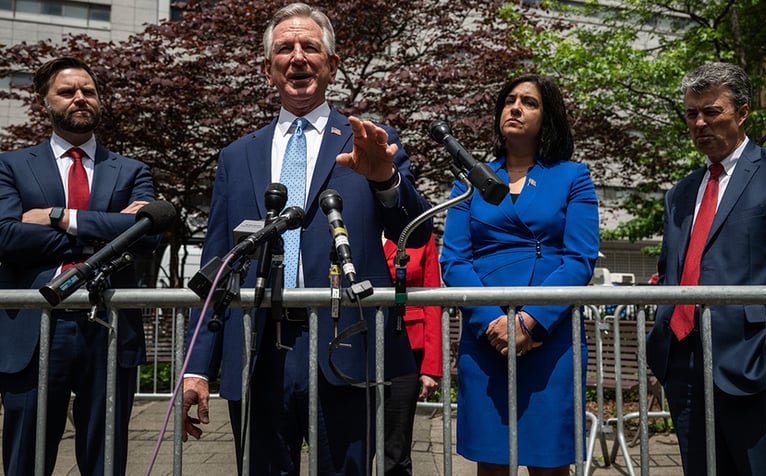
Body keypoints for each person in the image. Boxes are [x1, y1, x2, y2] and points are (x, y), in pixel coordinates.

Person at [180, 3, 432, 475]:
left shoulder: (367, 140)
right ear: (268, 69)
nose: (298, 57)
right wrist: (197, 366)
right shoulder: (237, 157)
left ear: (331, 65)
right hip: (258, 350)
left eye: (310, 47)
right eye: (285, 49)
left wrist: (385, 181)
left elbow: (412, 233)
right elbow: (216, 264)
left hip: (346, 344)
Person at [645, 62, 766, 475]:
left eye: (712, 112)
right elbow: (671, 270)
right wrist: (664, 349)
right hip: (683, 365)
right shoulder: (680, 193)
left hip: (754, 364)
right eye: (692, 113)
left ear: (743, 112)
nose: (699, 123)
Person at [0, 57, 158, 475]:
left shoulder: (130, 169)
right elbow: (7, 238)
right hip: (35, 331)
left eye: (88, 90)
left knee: (105, 459)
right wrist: (112, 228)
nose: (80, 98)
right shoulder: (11, 166)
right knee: (24, 459)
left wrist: (59, 216)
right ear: (44, 102)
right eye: (67, 91)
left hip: (107, 325)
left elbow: (148, 235)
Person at [440, 73, 600, 475]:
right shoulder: (470, 180)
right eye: (509, 100)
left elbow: (579, 258)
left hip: (550, 333)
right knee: (492, 461)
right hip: (486, 334)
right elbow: (455, 260)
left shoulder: (572, 176)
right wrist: (492, 320)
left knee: (549, 462)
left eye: (529, 102)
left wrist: (529, 320)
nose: (515, 108)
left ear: (548, 118)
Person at [382, 234, 442, 475]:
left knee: (396, 447)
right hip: (357, 347)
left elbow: (433, 298)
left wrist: (431, 366)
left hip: (407, 348)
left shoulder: (419, 232)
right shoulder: (352, 222)